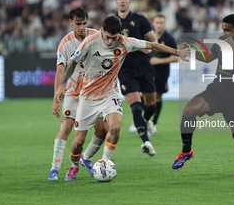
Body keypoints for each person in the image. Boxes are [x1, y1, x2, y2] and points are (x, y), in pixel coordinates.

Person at [54, 15, 190, 181]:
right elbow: (73, 62)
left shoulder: (125, 41)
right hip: (88, 97)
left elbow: (153, 44)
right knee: (78, 143)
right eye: (108, 38)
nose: (111, 42)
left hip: (110, 94)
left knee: (115, 129)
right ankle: (74, 165)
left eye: (114, 38)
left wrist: (177, 52)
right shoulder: (90, 41)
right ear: (102, 31)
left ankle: (104, 161)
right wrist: (62, 85)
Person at [172, 14, 234, 175]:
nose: (224, 33)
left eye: (227, 30)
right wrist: (191, 51)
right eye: (223, 29)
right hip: (216, 91)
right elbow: (208, 57)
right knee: (189, 110)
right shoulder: (222, 41)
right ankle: (186, 151)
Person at [48, 7, 108, 181]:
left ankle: (85, 158)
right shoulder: (65, 43)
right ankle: (55, 168)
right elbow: (60, 70)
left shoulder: (97, 36)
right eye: (78, 24)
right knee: (66, 127)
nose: (82, 27)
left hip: (93, 92)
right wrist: (57, 94)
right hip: (74, 92)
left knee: (102, 130)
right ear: (71, 22)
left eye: (84, 23)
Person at [113, 0, 158, 153]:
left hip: (143, 66)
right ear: (116, 1)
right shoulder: (112, 22)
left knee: (152, 105)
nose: (122, 0)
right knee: (136, 107)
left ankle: (147, 121)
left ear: (130, 1)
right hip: (124, 68)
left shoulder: (140, 19)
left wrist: (148, 47)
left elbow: (153, 40)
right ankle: (146, 142)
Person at [150, 14, 178, 128]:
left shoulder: (169, 39)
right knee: (142, 94)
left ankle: (154, 122)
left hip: (162, 72)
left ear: (164, 24)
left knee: (157, 97)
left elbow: (176, 58)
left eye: (161, 23)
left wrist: (159, 61)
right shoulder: (148, 36)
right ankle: (142, 118)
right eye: (157, 23)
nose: (159, 25)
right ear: (153, 24)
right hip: (147, 71)